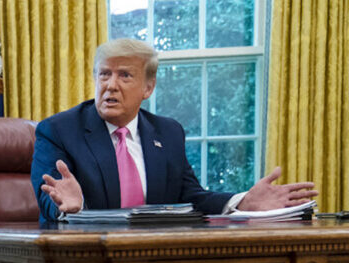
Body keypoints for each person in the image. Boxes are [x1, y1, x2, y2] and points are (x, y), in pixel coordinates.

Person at [31, 38, 317, 224]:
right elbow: (50, 197)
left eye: (125, 75)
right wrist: (69, 207)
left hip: (155, 260)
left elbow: (191, 197)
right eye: (104, 74)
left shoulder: (167, 132)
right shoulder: (57, 130)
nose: (111, 85)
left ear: (148, 88)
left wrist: (242, 202)